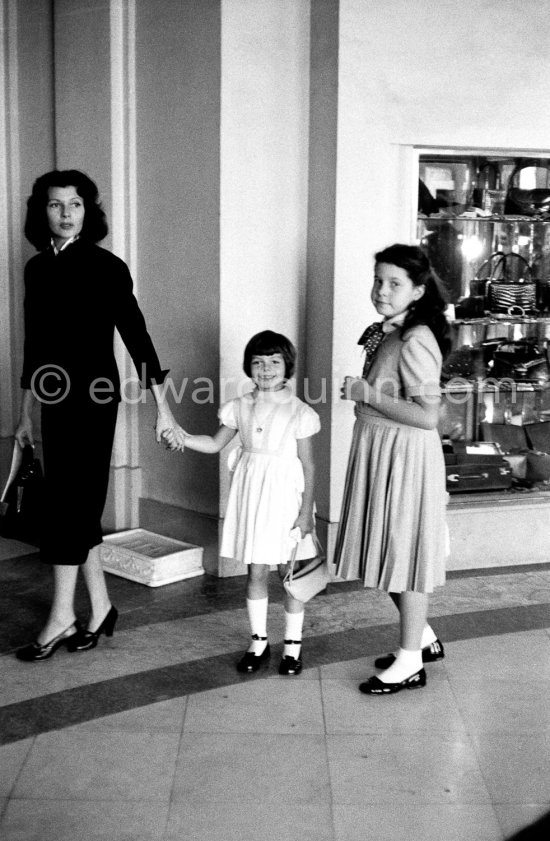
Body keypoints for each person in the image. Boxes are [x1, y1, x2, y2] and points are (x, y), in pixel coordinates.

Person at [14, 169, 177, 661]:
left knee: (68, 506)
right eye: (55, 205)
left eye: (76, 204)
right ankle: (100, 607)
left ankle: (62, 616)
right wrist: (25, 414)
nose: (66, 214)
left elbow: (137, 336)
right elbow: (35, 346)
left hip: (92, 400)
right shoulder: (37, 269)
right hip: (52, 402)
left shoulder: (106, 266)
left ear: (90, 210)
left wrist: (163, 410)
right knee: (76, 506)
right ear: (41, 212)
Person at [163, 330, 320, 676]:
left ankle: (292, 647)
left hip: (284, 499)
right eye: (258, 362)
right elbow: (215, 443)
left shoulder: (300, 412)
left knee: (290, 574)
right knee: (256, 570)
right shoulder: (239, 407)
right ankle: (259, 642)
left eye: (274, 362)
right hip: (252, 495)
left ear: (287, 366)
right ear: (249, 367)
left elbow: (308, 466)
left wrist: (306, 512)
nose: (266, 369)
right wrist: (183, 437)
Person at [334, 244, 450, 695]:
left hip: (404, 456)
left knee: (404, 556)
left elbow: (428, 415)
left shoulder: (416, 338)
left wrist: (365, 392)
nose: (382, 291)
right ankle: (419, 637)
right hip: (383, 449)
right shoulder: (392, 331)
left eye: (394, 283)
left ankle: (409, 662)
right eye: (378, 280)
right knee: (386, 549)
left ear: (417, 291)